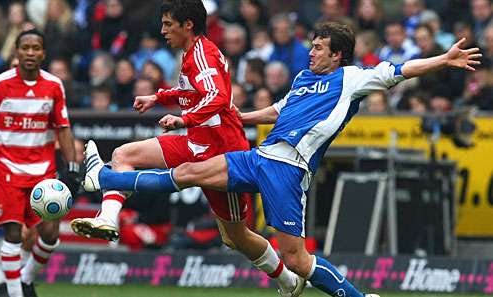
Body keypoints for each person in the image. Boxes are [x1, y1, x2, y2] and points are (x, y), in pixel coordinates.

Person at [79, 22, 481, 297]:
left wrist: (443, 60)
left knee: (297, 258)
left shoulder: (354, 77)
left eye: (319, 47)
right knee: (187, 173)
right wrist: (238, 115)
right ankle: (104, 178)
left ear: (337, 54)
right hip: (259, 157)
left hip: (289, 171)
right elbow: (276, 111)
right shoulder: (304, 79)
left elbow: (403, 69)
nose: (312, 51)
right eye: (312, 44)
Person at [71, 1, 304, 296]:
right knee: (123, 154)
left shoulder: (203, 55)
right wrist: (158, 96)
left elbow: (217, 96)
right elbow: (191, 90)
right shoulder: (192, 53)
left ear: (188, 25)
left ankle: (288, 280)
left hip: (223, 153)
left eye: (168, 24)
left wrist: (184, 118)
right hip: (195, 141)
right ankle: (108, 219)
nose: (163, 30)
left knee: (236, 237)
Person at [0, 29, 79, 297]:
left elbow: (64, 128)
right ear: (17, 51)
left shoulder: (54, 86)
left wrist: (73, 166)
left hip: (43, 171)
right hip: (8, 169)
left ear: (43, 53)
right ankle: (13, 292)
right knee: (13, 234)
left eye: (36, 48)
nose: (31, 53)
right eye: (26, 48)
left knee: (50, 232)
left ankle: (26, 277)